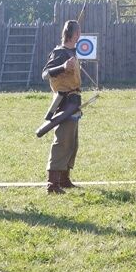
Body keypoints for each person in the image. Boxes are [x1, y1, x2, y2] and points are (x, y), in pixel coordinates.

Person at [40, 20, 83, 194]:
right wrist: (63, 66)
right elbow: (45, 74)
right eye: (79, 32)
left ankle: (64, 179)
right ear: (74, 34)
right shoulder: (59, 53)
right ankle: (52, 184)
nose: (80, 35)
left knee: (72, 142)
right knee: (62, 142)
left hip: (73, 101)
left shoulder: (70, 52)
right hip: (64, 103)